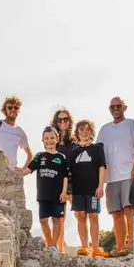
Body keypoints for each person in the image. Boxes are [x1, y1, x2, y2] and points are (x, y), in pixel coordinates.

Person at [96, 96, 134, 257]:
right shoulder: (104, 130)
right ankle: (120, 247)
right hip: (111, 177)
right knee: (116, 213)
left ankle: (132, 243)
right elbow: (98, 153)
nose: (115, 109)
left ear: (124, 107)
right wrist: (100, 181)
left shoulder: (133, 125)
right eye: (112, 107)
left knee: (129, 208)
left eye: (118, 106)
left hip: (129, 173)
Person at [16, 127, 69, 253]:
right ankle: (50, 243)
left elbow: (65, 176)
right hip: (43, 194)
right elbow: (28, 170)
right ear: (42, 140)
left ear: (57, 139)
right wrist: (19, 173)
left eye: (52, 138)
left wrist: (64, 192)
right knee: (43, 220)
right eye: (46, 138)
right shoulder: (40, 156)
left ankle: (53, 246)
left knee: (57, 220)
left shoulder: (62, 157)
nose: (49, 141)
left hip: (58, 194)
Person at [68, 119, 108, 258]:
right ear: (77, 132)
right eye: (81, 130)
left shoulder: (97, 148)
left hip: (93, 190)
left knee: (93, 216)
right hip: (77, 190)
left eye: (87, 129)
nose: (84, 132)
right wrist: (69, 192)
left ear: (91, 132)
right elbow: (69, 173)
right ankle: (84, 246)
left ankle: (96, 247)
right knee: (80, 216)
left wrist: (100, 186)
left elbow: (102, 167)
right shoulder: (73, 151)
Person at [51, 108, 76, 253]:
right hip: (57, 182)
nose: (62, 122)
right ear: (56, 122)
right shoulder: (52, 141)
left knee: (81, 214)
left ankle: (87, 247)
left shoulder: (75, 141)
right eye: (59, 120)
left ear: (70, 121)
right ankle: (59, 249)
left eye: (65, 119)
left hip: (74, 182)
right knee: (59, 217)